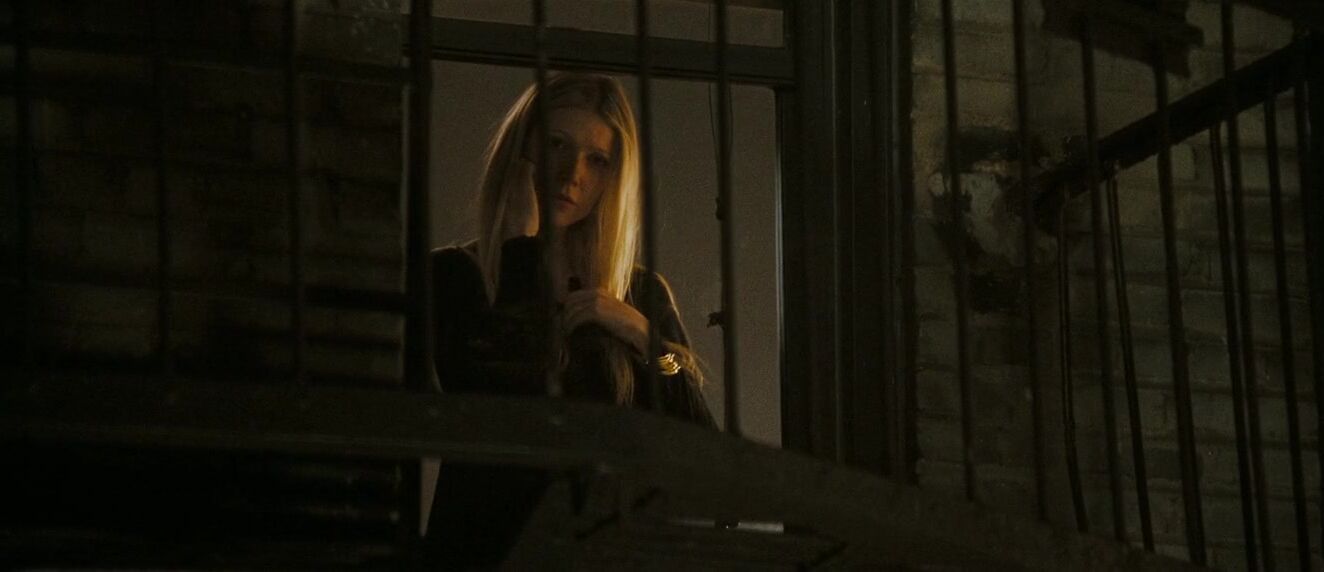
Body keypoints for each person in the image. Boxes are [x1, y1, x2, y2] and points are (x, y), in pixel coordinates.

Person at [426, 72, 716, 567]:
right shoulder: (453, 276)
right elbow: (512, 401)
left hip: (605, 554)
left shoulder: (640, 294)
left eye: (597, 159)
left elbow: (698, 438)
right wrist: (520, 252)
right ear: (521, 151)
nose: (572, 174)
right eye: (556, 144)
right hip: (487, 552)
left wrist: (647, 340)